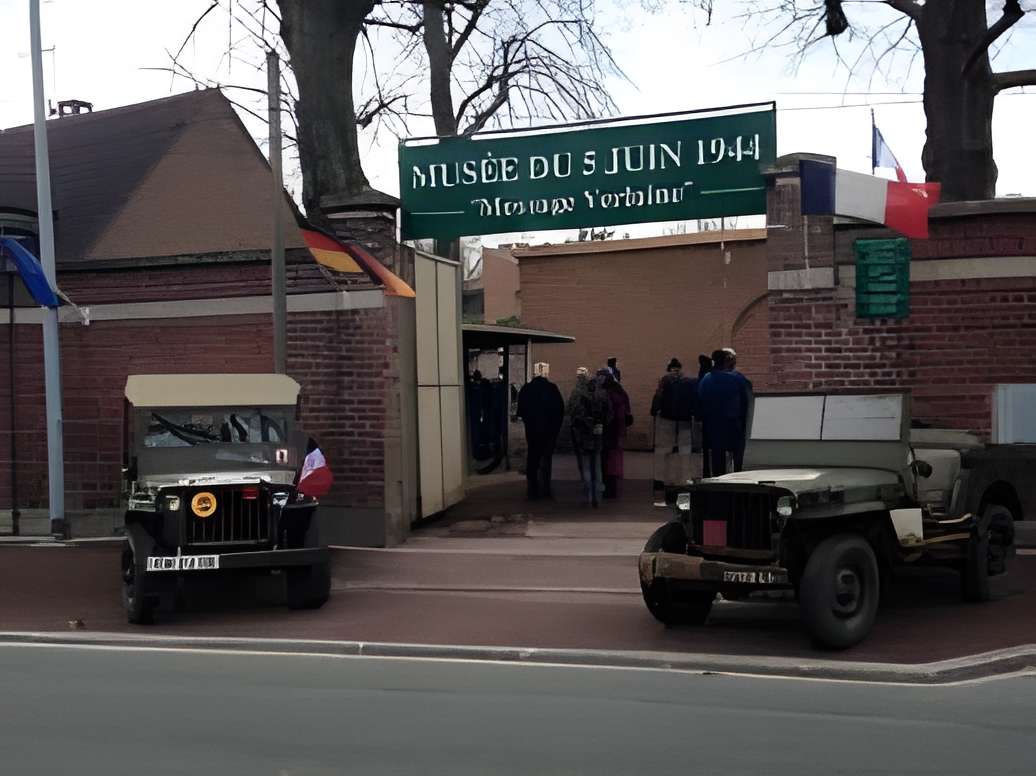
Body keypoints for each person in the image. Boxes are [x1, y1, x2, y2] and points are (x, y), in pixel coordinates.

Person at [649, 358, 699, 507]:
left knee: (663, 457)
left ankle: (660, 495)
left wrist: (654, 411)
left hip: (666, 423)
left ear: (669, 368)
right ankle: (684, 495)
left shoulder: (664, 380)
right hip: (684, 424)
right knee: (685, 457)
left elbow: (656, 404)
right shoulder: (689, 381)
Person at [698, 347, 753, 476]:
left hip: (712, 424)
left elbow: (700, 398)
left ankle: (718, 481)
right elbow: (746, 399)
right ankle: (737, 478)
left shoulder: (706, 379)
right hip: (733, 423)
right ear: (727, 361)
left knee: (717, 456)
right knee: (737, 455)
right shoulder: (737, 378)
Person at [516, 362, 565, 499]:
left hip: (532, 431)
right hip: (549, 432)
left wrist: (529, 421)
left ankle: (532, 490)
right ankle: (546, 489)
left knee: (533, 459)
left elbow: (520, 412)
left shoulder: (526, 389)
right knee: (546, 460)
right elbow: (560, 410)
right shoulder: (552, 389)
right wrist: (555, 429)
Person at [567, 366, 612, 507]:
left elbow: (571, 412)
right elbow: (610, 414)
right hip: (598, 433)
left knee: (586, 464)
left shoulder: (578, 395)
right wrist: (602, 425)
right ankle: (597, 494)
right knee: (597, 463)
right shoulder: (602, 395)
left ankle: (589, 491)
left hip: (584, 434)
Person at [598, 368, 632, 499]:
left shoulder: (606, 393)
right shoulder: (620, 391)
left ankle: (608, 489)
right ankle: (612, 487)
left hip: (609, 430)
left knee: (606, 459)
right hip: (618, 430)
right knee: (614, 459)